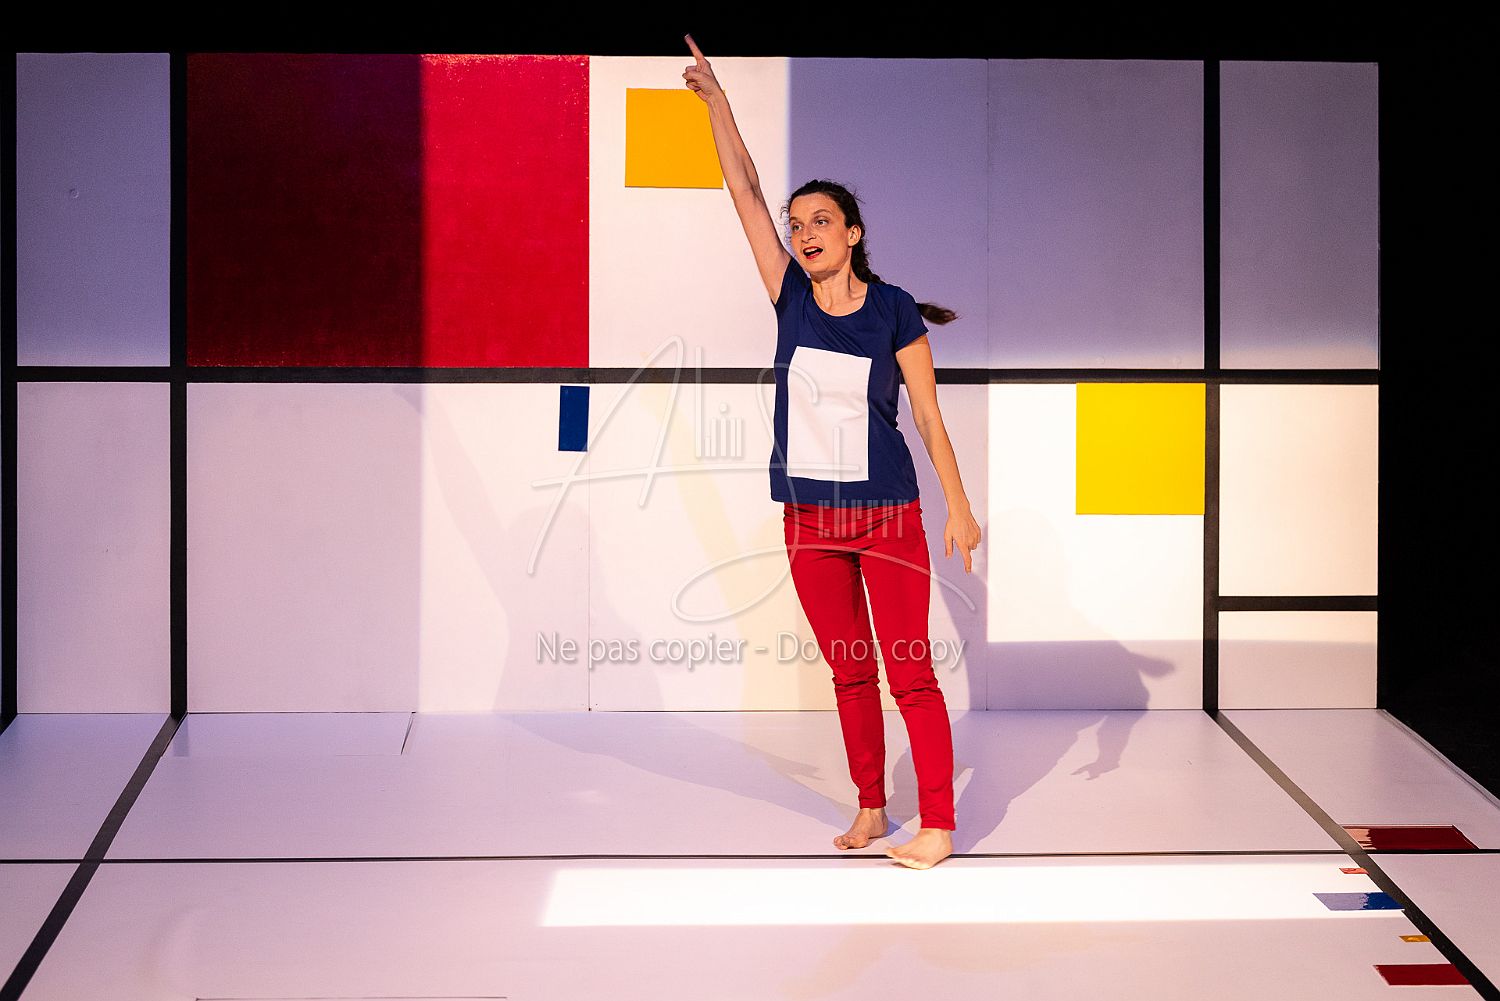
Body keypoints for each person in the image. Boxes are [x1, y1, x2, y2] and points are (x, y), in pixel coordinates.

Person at [684, 33, 981, 870]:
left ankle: (938, 824)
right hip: (809, 520)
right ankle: (872, 806)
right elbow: (743, 190)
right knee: (850, 672)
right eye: (797, 224)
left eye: (820, 221)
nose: (803, 232)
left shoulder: (893, 310)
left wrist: (959, 505)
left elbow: (928, 415)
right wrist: (719, 106)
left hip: (888, 517)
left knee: (909, 672)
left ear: (852, 233)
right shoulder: (790, 297)